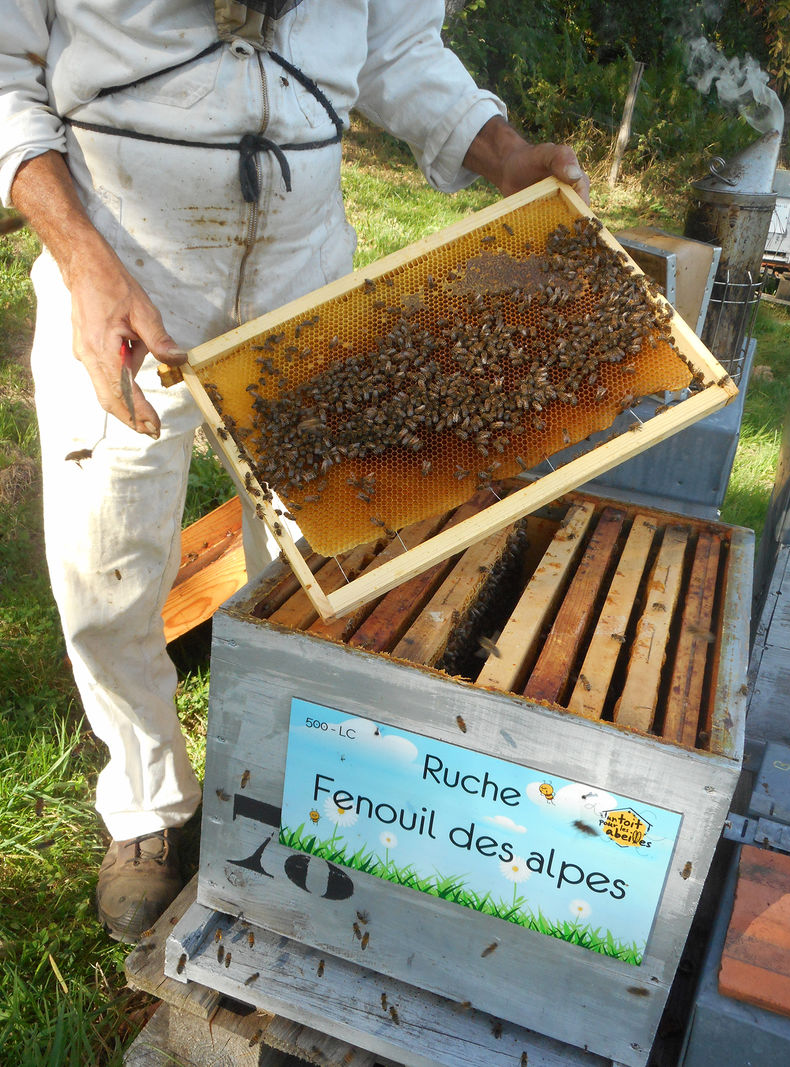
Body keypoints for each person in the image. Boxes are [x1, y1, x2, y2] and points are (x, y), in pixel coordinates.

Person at [1, 0, 589, 942]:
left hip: (303, 276)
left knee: (320, 564)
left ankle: (282, 783)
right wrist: (79, 257)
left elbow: (397, 44)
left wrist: (504, 153)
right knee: (104, 571)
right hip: (121, 266)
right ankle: (150, 807)